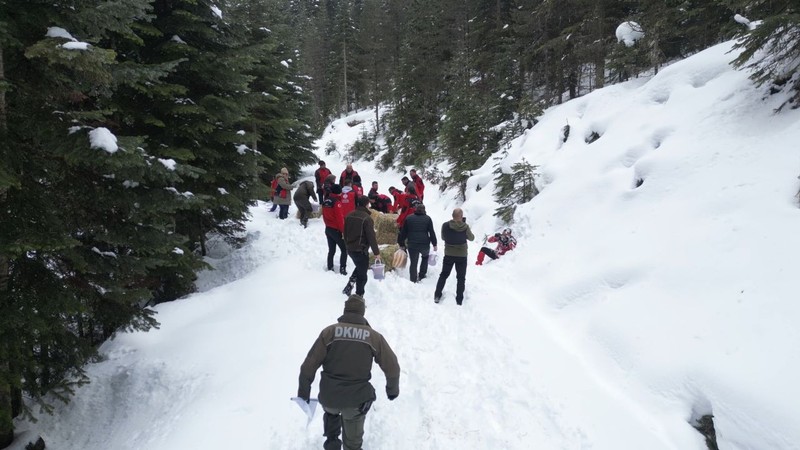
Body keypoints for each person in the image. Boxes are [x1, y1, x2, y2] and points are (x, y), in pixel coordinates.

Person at [298, 294, 400, 450]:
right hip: (356, 402)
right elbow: (392, 366)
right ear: (362, 312)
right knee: (352, 444)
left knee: (331, 413)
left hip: (329, 398)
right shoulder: (373, 337)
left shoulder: (329, 333)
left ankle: (332, 441)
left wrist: (303, 393)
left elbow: (308, 366)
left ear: (345, 311)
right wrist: (392, 390)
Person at [434, 208, 474, 305]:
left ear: (452, 216)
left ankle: (437, 295)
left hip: (449, 254)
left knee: (444, 275)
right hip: (462, 255)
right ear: (461, 216)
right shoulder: (465, 226)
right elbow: (472, 238)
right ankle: (459, 299)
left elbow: (443, 238)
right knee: (461, 277)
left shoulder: (445, 225)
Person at [343, 196, 381, 297]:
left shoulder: (349, 215)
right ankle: (358, 296)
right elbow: (371, 237)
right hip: (361, 250)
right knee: (362, 276)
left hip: (350, 249)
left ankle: (349, 285)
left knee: (360, 267)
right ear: (367, 204)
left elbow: (344, 232)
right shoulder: (366, 218)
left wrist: (347, 245)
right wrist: (376, 253)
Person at [397, 204, 437, 283]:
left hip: (412, 244)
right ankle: (422, 275)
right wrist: (434, 244)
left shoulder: (409, 218)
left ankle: (413, 279)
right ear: (424, 210)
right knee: (425, 258)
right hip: (424, 244)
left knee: (413, 262)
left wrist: (401, 243)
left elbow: (403, 232)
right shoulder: (428, 219)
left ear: (415, 209)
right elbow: (431, 232)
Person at [322, 185, 348, 275]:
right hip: (336, 230)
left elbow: (324, 216)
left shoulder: (326, 201)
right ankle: (342, 268)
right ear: (339, 192)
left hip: (328, 229)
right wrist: (343, 231)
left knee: (331, 250)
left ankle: (330, 267)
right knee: (344, 249)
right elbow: (340, 218)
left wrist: (327, 225)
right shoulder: (337, 203)